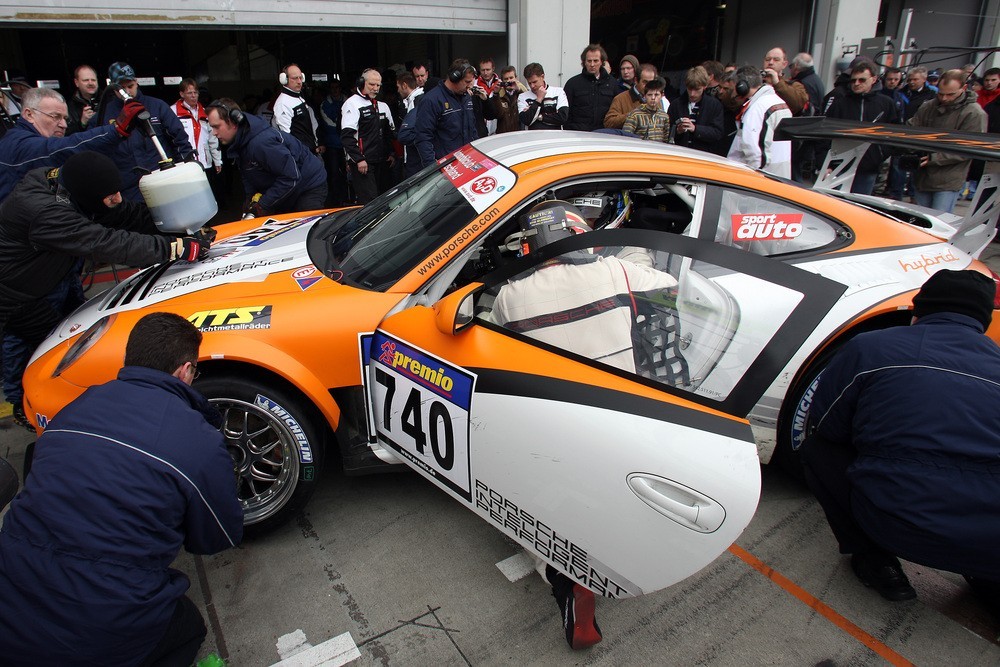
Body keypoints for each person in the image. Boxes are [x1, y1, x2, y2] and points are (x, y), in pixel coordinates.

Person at [0, 311, 244, 665]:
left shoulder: (72, 410)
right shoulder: (198, 440)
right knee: (188, 625)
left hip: (10, 607)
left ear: (130, 358)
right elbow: (218, 536)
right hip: (102, 629)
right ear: (185, 371)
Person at [491, 200, 677, 648]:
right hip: (620, 420)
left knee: (528, 497)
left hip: (553, 427)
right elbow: (668, 287)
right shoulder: (615, 272)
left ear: (529, 247)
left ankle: (562, 575)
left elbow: (497, 341)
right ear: (579, 236)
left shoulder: (509, 298)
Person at [799, 269, 1000, 611]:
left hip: (898, 527)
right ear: (983, 321)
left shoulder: (871, 346)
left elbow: (827, 425)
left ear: (917, 310)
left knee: (818, 448)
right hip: (991, 545)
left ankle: (875, 560)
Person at [0, 151, 209, 422]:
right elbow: (106, 242)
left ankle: (74, 391)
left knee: (79, 338)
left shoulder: (70, 187)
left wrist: (176, 228)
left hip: (55, 275)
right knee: (46, 350)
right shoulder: (44, 211)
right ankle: (25, 406)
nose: (118, 198)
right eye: (111, 195)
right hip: (19, 294)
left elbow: (122, 214)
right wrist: (174, 248)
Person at [0, 86, 139, 202]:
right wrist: (116, 130)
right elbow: (61, 149)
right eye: (56, 117)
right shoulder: (18, 144)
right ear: (29, 114)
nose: (64, 125)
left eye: (65, 118)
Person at [206, 98, 327, 216]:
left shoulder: (261, 143)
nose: (214, 133)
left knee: (302, 225)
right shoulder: (240, 143)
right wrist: (250, 199)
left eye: (217, 126)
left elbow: (291, 177)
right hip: (286, 187)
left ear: (234, 121)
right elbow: (248, 174)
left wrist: (263, 205)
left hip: (308, 186)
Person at [99, 61, 193, 201]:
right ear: (113, 88)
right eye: (122, 88)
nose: (127, 91)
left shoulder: (157, 106)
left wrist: (186, 172)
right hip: (128, 189)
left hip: (163, 181)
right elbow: (98, 153)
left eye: (130, 86)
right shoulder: (104, 114)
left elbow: (180, 140)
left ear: (136, 83)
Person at [908, 69, 987, 213]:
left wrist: (934, 158)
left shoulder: (974, 113)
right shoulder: (928, 106)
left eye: (950, 94)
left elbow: (969, 148)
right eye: (940, 93)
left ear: (963, 88)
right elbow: (912, 129)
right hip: (923, 175)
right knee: (918, 219)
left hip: (949, 179)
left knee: (939, 219)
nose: (944, 98)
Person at [823, 61, 899, 195]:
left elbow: (894, 133)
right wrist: (826, 164)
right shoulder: (840, 104)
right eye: (853, 80)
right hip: (840, 165)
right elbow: (825, 135)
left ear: (873, 79)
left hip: (868, 166)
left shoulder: (886, 104)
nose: (856, 83)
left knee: (859, 203)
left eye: (862, 80)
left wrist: (880, 154)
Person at [340, 69, 396, 203]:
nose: (375, 88)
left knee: (386, 200)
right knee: (370, 202)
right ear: (361, 83)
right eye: (371, 84)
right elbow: (346, 137)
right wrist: (358, 159)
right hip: (363, 163)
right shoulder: (352, 104)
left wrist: (391, 153)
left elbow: (389, 133)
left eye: (378, 85)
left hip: (382, 161)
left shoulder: (383, 106)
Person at [728, 66, 792, 177]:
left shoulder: (757, 108)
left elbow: (752, 148)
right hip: (780, 172)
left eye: (734, 87)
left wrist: (756, 175)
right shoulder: (780, 102)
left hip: (762, 176)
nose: (733, 92)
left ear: (741, 86)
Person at [414, 60, 478, 167]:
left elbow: (472, 130)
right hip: (445, 166)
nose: (469, 86)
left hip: (467, 162)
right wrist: (432, 167)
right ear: (454, 78)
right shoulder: (431, 100)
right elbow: (423, 136)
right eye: (467, 82)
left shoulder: (466, 97)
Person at [171, 78, 223, 193]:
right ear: (182, 94)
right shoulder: (173, 112)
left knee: (208, 193)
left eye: (196, 92)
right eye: (190, 93)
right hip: (184, 164)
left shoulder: (205, 112)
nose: (193, 96)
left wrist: (217, 160)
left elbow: (212, 138)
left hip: (205, 163)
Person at [272, 63, 325, 157]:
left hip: (308, 153)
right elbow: (285, 135)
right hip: (299, 156)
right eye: (295, 78)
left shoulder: (298, 97)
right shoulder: (283, 103)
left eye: (300, 77)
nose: (299, 81)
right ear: (284, 79)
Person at [563, 44, 619, 131]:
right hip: (578, 133)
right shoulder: (572, 84)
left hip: (604, 133)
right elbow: (566, 112)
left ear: (602, 62)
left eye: (596, 61)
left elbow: (617, 111)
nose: (592, 64)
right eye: (589, 61)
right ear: (584, 62)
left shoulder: (613, 84)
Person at [668, 66, 724, 153]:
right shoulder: (676, 104)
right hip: (679, 153)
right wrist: (677, 130)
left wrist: (695, 129)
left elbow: (717, 133)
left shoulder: (714, 105)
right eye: (689, 89)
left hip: (703, 155)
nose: (692, 94)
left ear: (705, 86)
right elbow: (666, 130)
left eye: (697, 89)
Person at [320, 77, 348, 206]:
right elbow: (329, 124)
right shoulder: (324, 104)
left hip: (347, 143)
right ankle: (337, 201)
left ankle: (348, 198)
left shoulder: (348, 101)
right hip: (332, 145)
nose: (335, 90)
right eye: (332, 88)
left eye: (337, 87)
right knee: (334, 173)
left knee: (348, 172)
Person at [604, 62, 658, 129]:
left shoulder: (657, 99)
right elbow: (608, 123)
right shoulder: (621, 98)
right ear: (636, 80)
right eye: (645, 82)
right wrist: (633, 115)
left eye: (651, 83)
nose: (648, 86)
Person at [518, 62, 569, 131]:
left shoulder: (558, 92)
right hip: (532, 136)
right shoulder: (523, 97)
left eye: (534, 82)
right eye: (529, 83)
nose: (532, 86)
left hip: (554, 136)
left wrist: (539, 116)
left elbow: (562, 117)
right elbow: (527, 120)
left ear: (542, 77)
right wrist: (539, 99)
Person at [761, 47, 808, 116]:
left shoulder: (795, 85)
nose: (770, 62)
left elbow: (797, 105)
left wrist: (777, 83)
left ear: (784, 64)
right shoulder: (756, 83)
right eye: (767, 59)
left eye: (776, 60)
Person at [623, 77, 671, 142]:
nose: (653, 98)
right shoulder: (635, 115)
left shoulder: (664, 116)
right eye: (649, 95)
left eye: (656, 95)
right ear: (645, 96)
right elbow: (626, 137)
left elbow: (666, 139)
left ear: (662, 95)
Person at [65, 64, 100, 135]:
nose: (90, 83)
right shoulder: (69, 107)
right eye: (86, 80)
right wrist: (82, 123)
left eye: (93, 80)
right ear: (76, 82)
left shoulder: (108, 99)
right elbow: (67, 135)